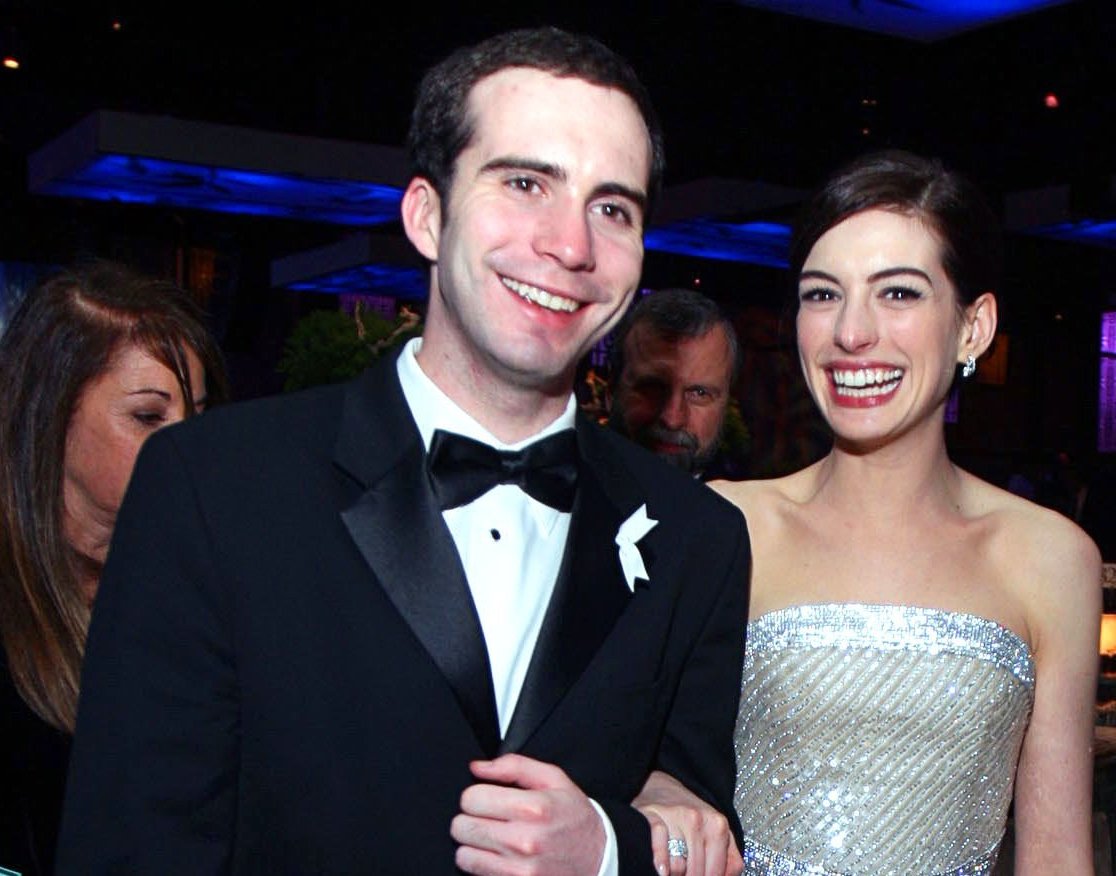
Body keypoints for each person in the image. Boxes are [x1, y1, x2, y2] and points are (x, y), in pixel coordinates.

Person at [57, 27, 751, 876]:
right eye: (526, 182)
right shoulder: (213, 488)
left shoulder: (695, 538)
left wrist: (610, 849)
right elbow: (130, 847)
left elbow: (702, 830)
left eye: (613, 208)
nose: (571, 246)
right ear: (427, 214)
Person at [705, 150, 1099, 872]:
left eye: (898, 294)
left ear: (973, 327)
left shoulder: (1049, 557)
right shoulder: (725, 527)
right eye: (823, 295)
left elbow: (1056, 854)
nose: (852, 332)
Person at [0, 260, 228, 876]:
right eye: (149, 417)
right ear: (52, 415)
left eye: (197, 416)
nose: (189, 446)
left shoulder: (208, 591)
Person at [609, 288, 740, 479]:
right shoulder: (562, 492)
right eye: (652, 387)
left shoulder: (745, 507)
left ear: (726, 403)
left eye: (699, 393)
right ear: (611, 389)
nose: (672, 419)